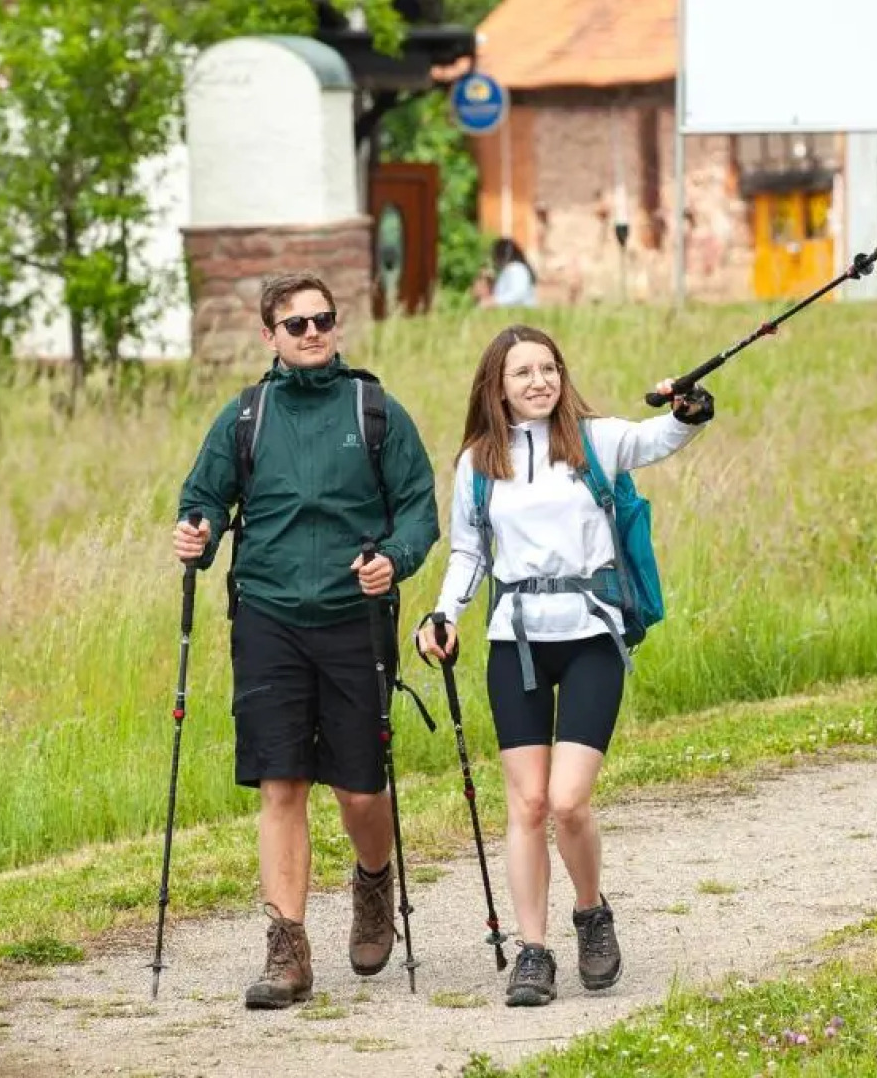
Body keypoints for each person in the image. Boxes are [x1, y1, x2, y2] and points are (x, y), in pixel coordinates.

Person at [414, 323, 714, 1007]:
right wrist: (444, 613)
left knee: (567, 801)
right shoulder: (478, 462)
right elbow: (470, 552)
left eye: (548, 369)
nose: (539, 382)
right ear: (497, 386)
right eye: (523, 372)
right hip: (514, 642)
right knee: (526, 804)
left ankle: (590, 913)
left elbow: (661, 437)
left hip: (590, 638)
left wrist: (690, 408)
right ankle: (533, 951)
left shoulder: (594, 439)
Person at [171, 273, 441, 1010]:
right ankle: (286, 947)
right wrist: (198, 534)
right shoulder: (246, 416)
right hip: (268, 616)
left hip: (356, 618)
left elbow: (419, 510)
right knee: (281, 780)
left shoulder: (375, 410)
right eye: (296, 324)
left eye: (323, 319)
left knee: (360, 789)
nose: (313, 332)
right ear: (270, 336)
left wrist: (396, 559)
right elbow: (203, 500)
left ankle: (373, 883)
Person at [472, 237, 538, 308]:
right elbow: (504, 292)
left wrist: (494, 301)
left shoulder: (516, 268)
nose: (494, 260)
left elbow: (518, 294)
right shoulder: (509, 269)